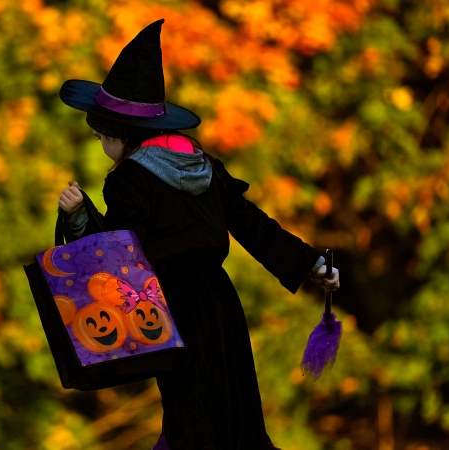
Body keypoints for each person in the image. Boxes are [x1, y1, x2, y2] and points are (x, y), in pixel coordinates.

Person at [57, 19, 339, 450]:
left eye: (100, 137)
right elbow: (251, 223)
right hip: (220, 299)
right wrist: (312, 263)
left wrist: (78, 215)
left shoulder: (128, 179)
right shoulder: (204, 165)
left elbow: (115, 254)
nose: (100, 145)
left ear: (117, 135)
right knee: (234, 409)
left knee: (191, 417)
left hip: (173, 306)